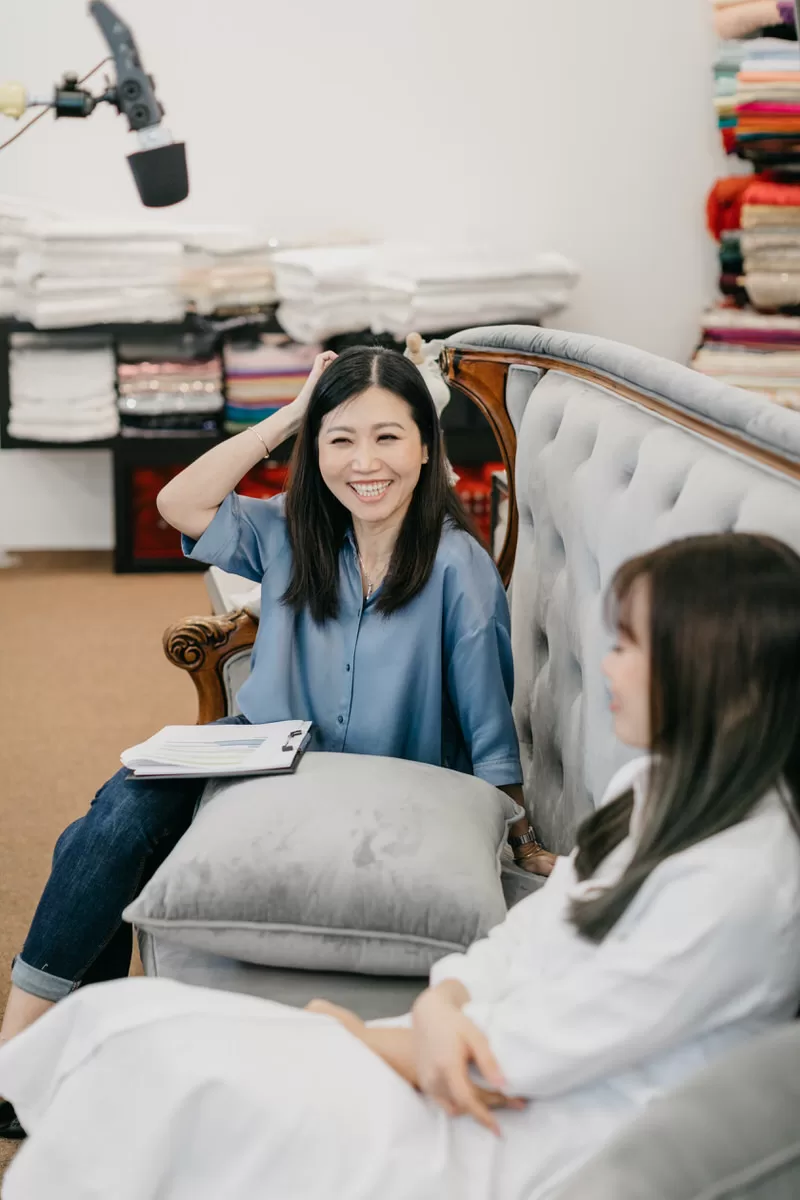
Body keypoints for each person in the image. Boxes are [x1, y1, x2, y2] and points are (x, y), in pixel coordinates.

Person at [2, 532, 799, 1200]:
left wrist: (355, 1034)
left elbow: (524, 1062)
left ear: (708, 669)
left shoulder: (739, 885)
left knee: (161, 1073)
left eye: (628, 644)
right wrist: (444, 996)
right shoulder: (655, 787)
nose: (606, 667)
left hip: (510, 1137)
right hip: (451, 1051)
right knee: (120, 1023)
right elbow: (532, 936)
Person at [0, 346, 552, 1139]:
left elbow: (489, 731)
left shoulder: (460, 569)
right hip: (248, 756)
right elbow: (183, 505)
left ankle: (48, 1058)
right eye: (341, 439)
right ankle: (23, 1052)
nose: (366, 463)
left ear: (428, 447)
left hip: (373, 784)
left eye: (389, 439)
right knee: (109, 822)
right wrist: (295, 412)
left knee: (86, 842)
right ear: (314, 448)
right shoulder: (289, 532)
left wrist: (519, 836)